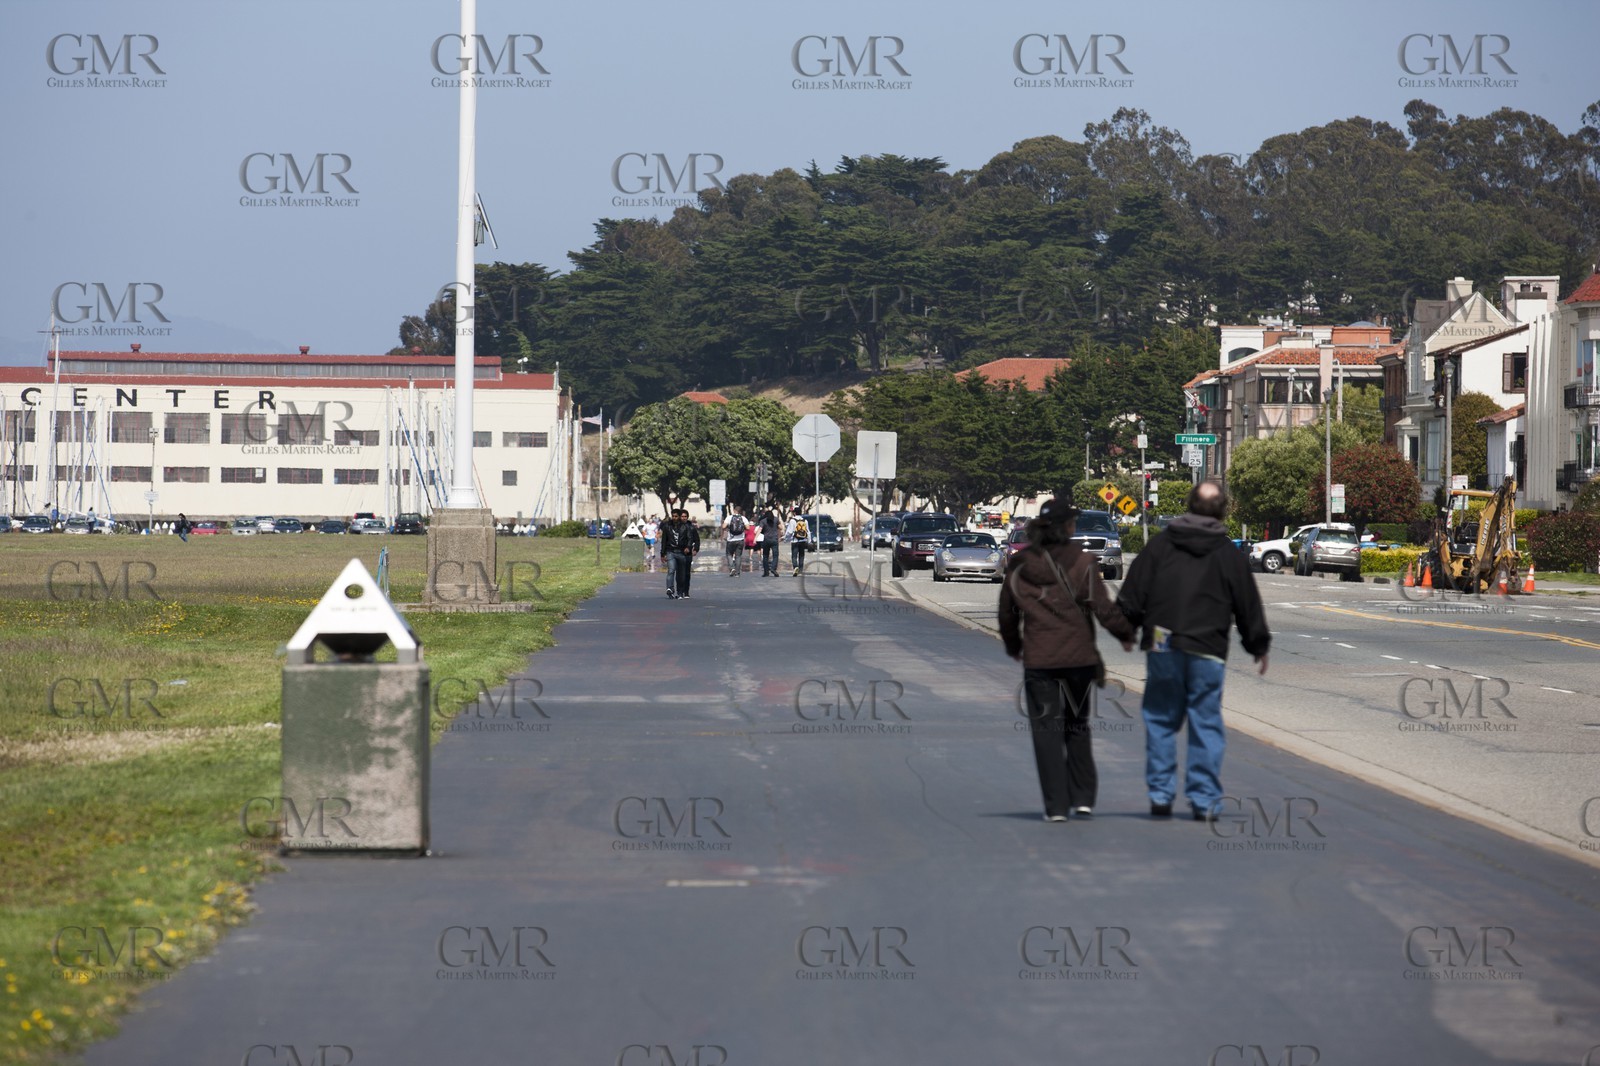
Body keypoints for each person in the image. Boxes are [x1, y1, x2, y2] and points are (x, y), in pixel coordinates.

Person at [1117, 483, 1271, 821]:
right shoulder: (1228, 553)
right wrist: (1257, 645)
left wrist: (1126, 630)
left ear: (1189, 505)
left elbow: (1133, 593)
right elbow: (1247, 603)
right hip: (1207, 645)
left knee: (1160, 718)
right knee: (1205, 721)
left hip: (1162, 640)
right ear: (1222, 510)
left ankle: (1160, 794)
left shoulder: (1160, 545)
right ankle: (1204, 800)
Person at [999, 499, 1135, 822]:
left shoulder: (1020, 563)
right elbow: (1102, 606)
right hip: (1078, 659)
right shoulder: (1083, 560)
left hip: (1040, 659)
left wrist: (1013, 645)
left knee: (1046, 731)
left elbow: (1007, 611)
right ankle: (1083, 798)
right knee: (1076, 726)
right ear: (1068, 527)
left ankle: (1056, 806)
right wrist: (1125, 634)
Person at [660, 508, 700, 599]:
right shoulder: (668, 526)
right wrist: (662, 553)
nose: (675, 518)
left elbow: (692, 539)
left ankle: (683, 592)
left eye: (676, 516)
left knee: (683, 574)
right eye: (673, 516)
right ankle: (670, 588)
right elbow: (664, 541)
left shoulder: (688, 527)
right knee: (671, 570)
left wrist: (691, 548)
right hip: (671, 552)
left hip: (684, 553)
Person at [722, 505, 747, 577]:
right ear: (740, 511)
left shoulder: (729, 517)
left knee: (729, 554)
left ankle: (732, 568)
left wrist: (728, 527)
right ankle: (737, 573)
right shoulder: (743, 518)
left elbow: (723, 526)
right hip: (740, 539)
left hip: (731, 539)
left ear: (734, 510)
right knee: (738, 556)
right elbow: (748, 527)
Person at [758, 504, 782, 577]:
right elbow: (780, 527)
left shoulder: (763, 521)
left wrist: (755, 538)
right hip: (774, 539)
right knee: (775, 555)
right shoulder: (776, 519)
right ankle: (773, 568)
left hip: (766, 540)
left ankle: (766, 572)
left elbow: (760, 529)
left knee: (765, 556)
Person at [787, 511, 812, 576]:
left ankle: (795, 568)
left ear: (794, 513)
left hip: (795, 541)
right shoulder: (805, 521)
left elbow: (789, 532)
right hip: (803, 540)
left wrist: (786, 538)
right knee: (801, 556)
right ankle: (800, 570)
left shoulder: (792, 520)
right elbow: (808, 531)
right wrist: (809, 541)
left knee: (794, 556)